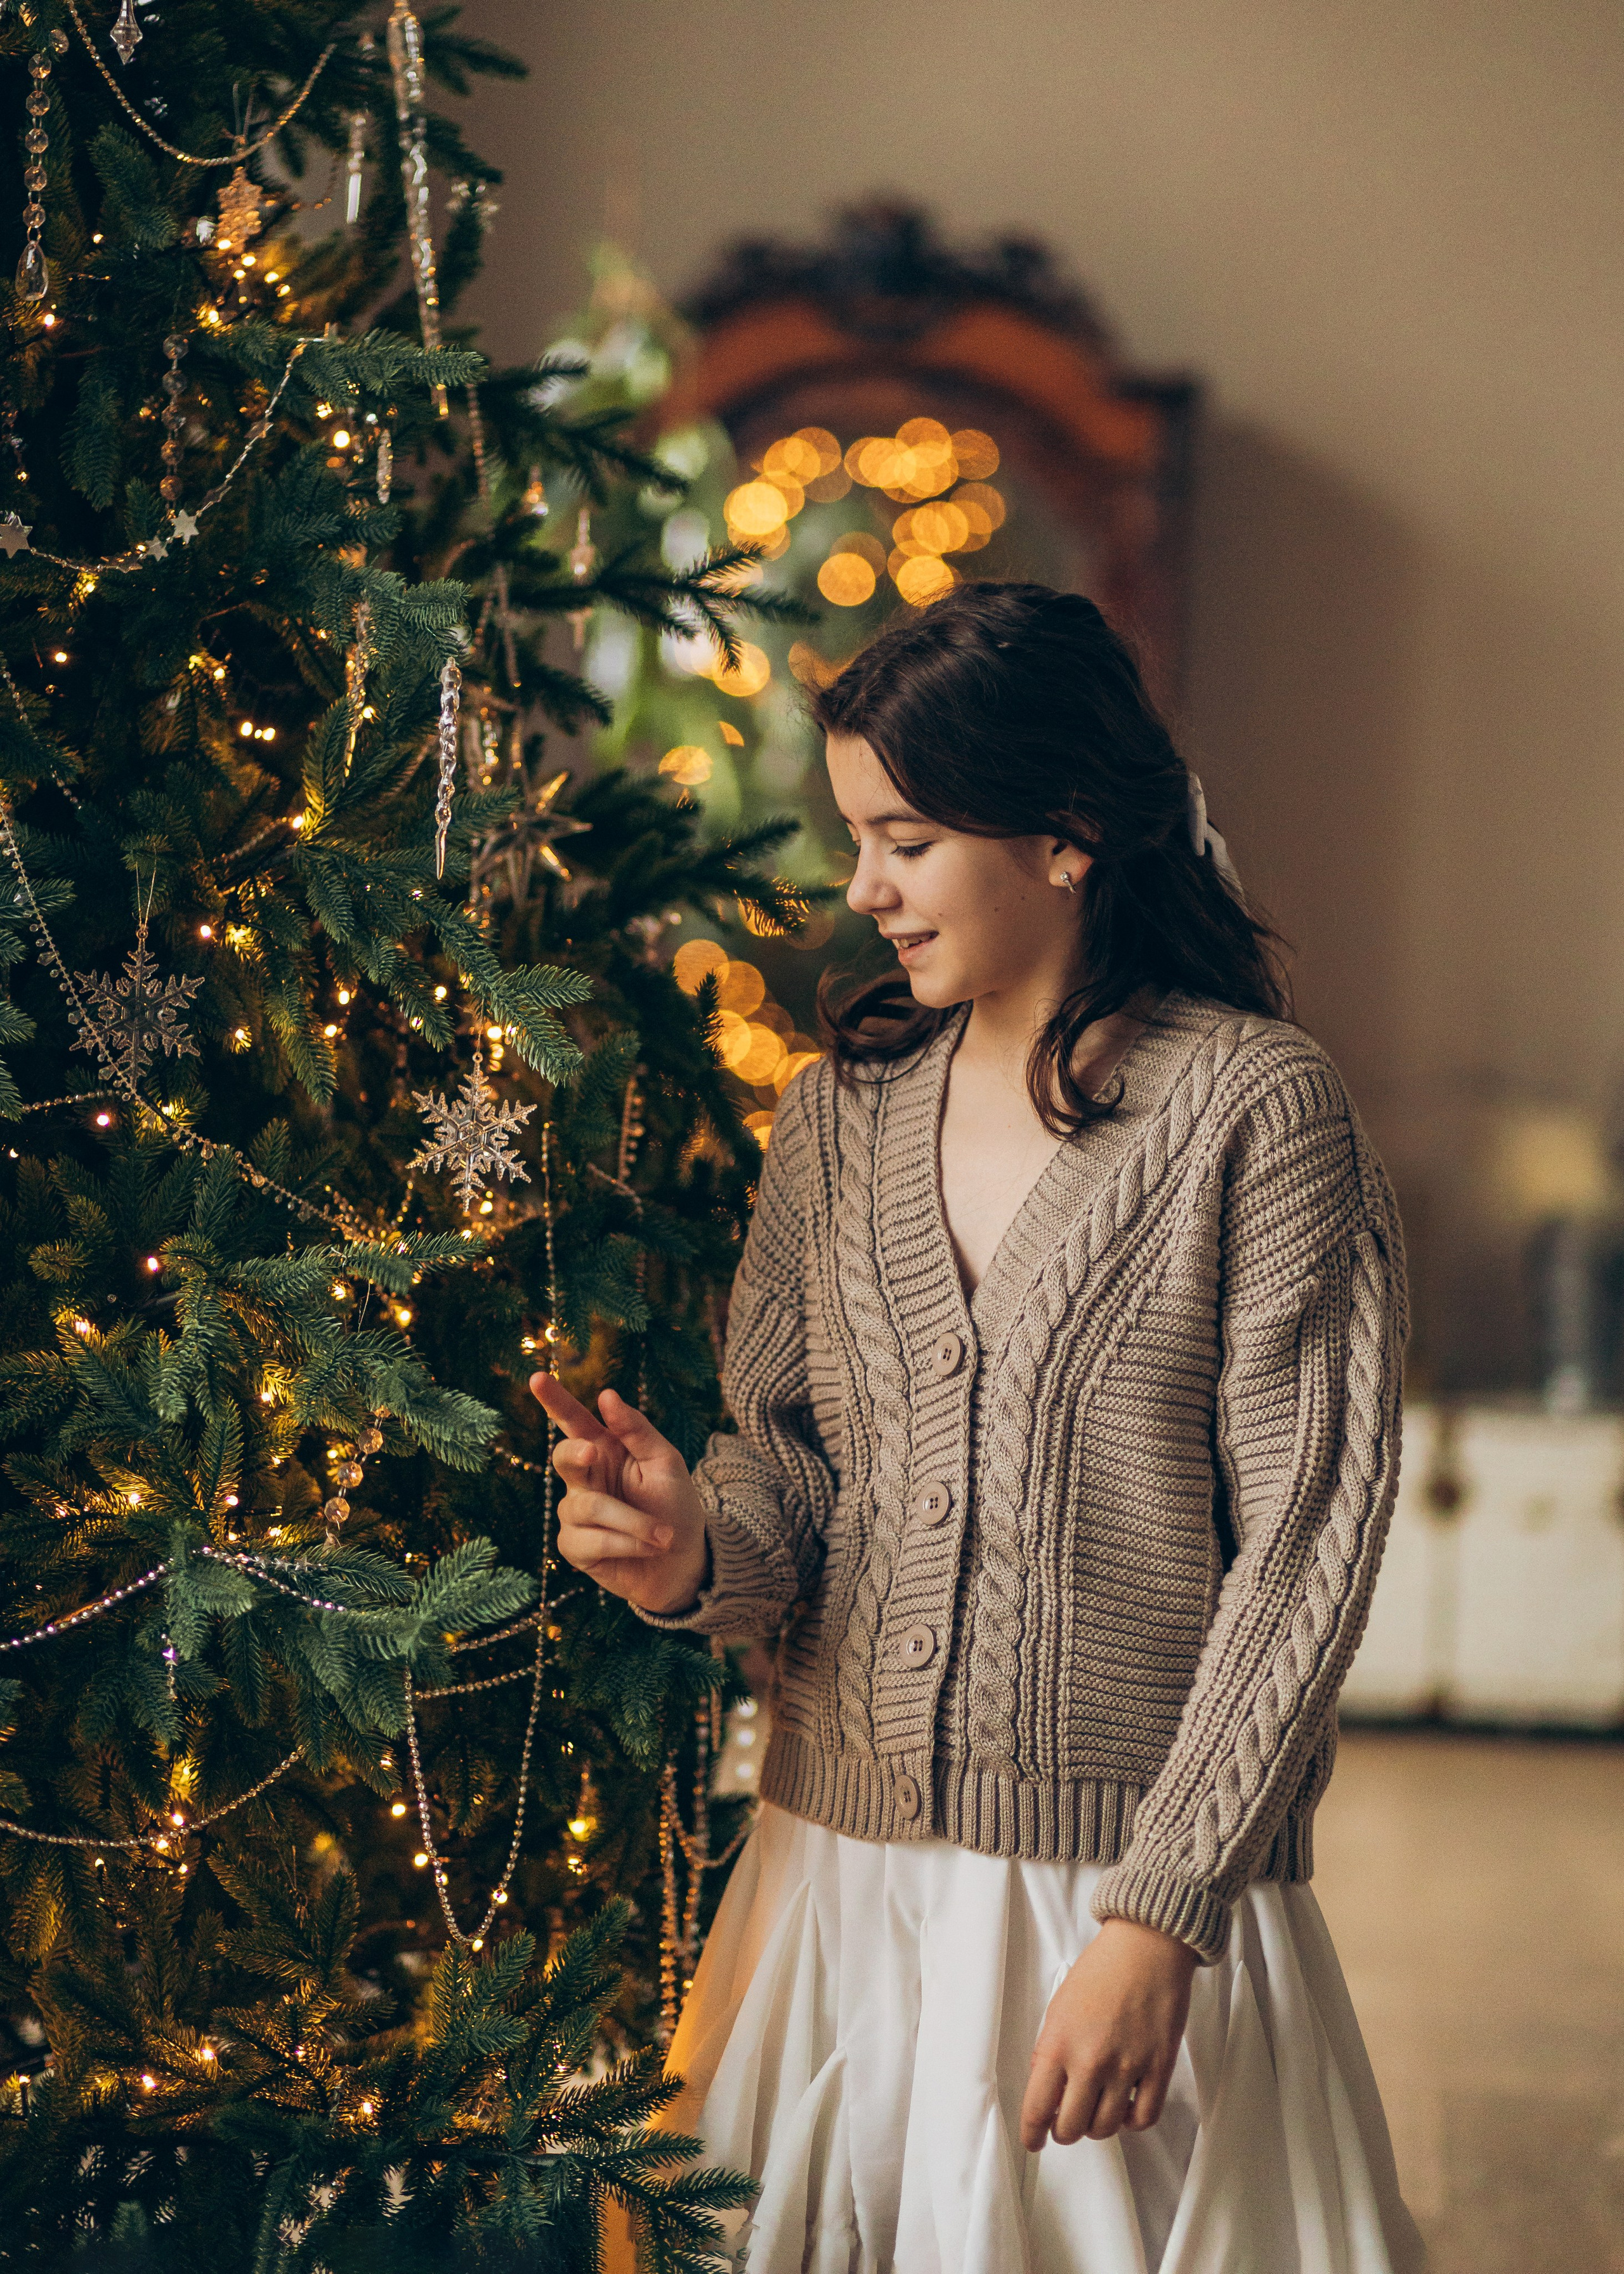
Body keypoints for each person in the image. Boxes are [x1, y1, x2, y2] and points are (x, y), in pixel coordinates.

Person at [532, 583, 1425, 2274]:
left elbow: (1304, 1557)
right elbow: (793, 1466)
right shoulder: (839, 1116)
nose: (860, 887)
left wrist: (1161, 1917)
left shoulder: (1257, 1114)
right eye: (857, 834)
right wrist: (692, 1542)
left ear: (1069, 833)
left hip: (1114, 1895)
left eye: (907, 838)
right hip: (830, 1877)